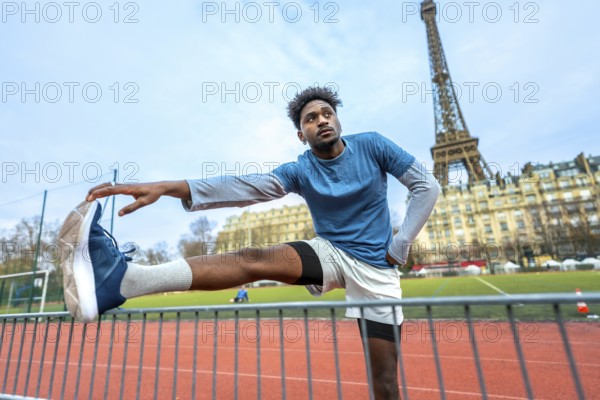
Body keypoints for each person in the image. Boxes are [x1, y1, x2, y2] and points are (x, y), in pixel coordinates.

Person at [59, 86, 440, 400]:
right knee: (253, 257)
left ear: (338, 120)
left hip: (377, 270)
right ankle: (124, 281)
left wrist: (401, 243)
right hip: (333, 253)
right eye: (311, 118)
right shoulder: (300, 169)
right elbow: (245, 188)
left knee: (385, 384)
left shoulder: (373, 145)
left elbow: (427, 186)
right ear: (301, 135)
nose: (321, 119)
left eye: (327, 113)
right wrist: (169, 187)